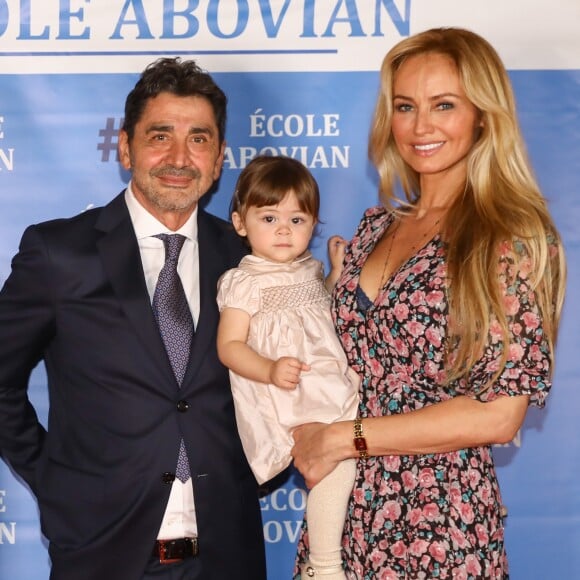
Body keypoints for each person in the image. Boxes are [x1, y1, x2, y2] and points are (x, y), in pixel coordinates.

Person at [291, 27, 567, 578]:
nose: (421, 126)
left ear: (483, 116)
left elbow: (499, 411)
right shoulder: (374, 228)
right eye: (405, 106)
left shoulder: (508, 236)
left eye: (444, 105)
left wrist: (348, 437)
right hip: (343, 514)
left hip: (440, 522)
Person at [0, 57, 266, 580]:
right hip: (102, 552)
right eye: (159, 135)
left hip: (226, 554)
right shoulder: (59, 253)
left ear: (219, 160)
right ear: (125, 148)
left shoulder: (247, 257)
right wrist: (56, 480)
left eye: (199, 139)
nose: (178, 157)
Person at [216, 155, 360, 579]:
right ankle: (325, 565)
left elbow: (320, 314)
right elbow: (229, 346)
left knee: (354, 462)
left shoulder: (308, 271)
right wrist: (269, 369)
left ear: (313, 225)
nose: (283, 229)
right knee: (336, 463)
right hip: (293, 395)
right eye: (269, 217)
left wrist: (335, 275)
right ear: (241, 224)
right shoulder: (244, 281)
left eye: (297, 220)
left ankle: (329, 561)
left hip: (329, 382)